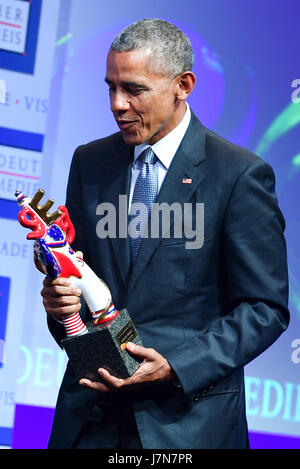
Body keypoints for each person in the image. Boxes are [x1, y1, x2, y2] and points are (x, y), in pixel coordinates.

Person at [42, 19, 289, 449]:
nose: (118, 104)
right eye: (111, 87)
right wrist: (59, 304)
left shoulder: (238, 175)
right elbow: (79, 284)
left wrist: (177, 364)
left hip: (188, 425)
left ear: (184, 85)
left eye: (134, 90)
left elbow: (265, 308)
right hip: (90, 421)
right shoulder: (89, 163)